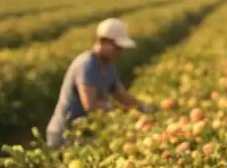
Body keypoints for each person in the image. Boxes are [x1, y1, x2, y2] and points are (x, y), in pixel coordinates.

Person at [44, 18, 150, 147]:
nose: (119, 52)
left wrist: (142, 107)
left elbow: (121, 95)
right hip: (65, 133)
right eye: (117, 47)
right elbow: (90, 104)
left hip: (82, 131)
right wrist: (118, 110)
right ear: (103, 41)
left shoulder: (108, 66)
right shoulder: (86, 65)